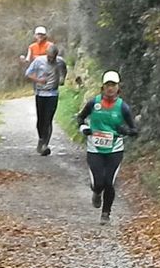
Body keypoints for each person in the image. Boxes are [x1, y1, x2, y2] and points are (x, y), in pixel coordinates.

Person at [76, 70, 138, 225]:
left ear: (118, 88)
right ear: (102, 87)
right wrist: (84, 129)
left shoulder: (123, 107)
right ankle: (96, 192)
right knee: (98, 183)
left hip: (115, 149)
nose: (110, 88)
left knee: (109, 182)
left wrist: (126, 131)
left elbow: (135, 130)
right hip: (95, 148)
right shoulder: (93, 103)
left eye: (113, 85)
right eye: (107, 85)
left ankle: (106, 213)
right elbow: (80, 117)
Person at [25, 44, 67, 156]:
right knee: (40, 120)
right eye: (49, 57)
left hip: (53, 94)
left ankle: (45, 145)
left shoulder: (60, 62)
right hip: (40, 93)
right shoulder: (39, 61)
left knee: (48, 120)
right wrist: (38, 80)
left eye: (52, 57)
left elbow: (64, 71)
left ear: (56, 56)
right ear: (46, 54)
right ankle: (41, 139)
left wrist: (62, 79)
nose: (50, 59)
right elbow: (28, 73)